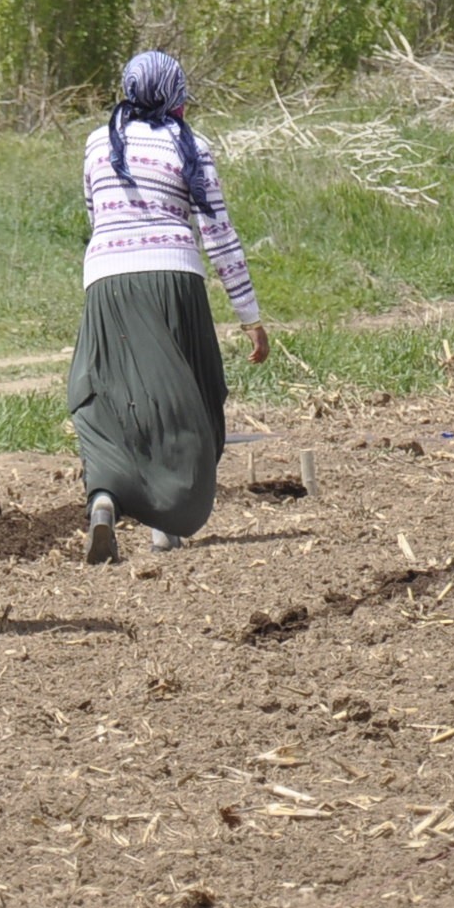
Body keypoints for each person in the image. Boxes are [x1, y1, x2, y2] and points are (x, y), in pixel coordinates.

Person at [72, 52, 269, 564]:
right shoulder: (192, 146)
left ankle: (105, 497)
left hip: (108, 282)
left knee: (107, 396)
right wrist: (249, 314)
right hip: (173, 279)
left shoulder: (97, 143)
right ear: (177, 95)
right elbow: (220, 236)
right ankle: (167, 524)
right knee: (191, 397)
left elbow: (96, 217)